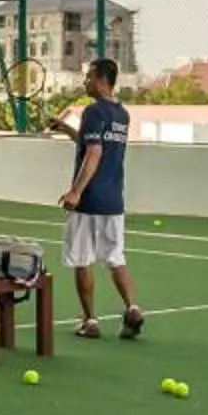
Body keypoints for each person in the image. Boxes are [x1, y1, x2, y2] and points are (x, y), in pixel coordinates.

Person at [45, 58, 142, 340]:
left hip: (89, 202)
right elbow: (93, 143)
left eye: (88, 77)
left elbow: (94, 153)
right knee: (116, 258)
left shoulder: (93, 111)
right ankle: (132, 308)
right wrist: (65, 129)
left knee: (82, 260)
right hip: (114, 201)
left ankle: (90, 321)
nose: (84, 81)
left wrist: (75, 191)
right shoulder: (121, 114)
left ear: (101, 79)